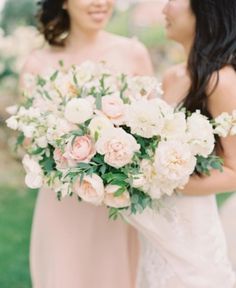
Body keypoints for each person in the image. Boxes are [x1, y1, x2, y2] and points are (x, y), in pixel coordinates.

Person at [20, 0, 153, 287]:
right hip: (63, 205)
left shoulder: (133, 53)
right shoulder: (38, 63)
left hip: (115, 204)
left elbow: (151, 129)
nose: (100, 3)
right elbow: (29, 144)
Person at [126, 0, 236, 287]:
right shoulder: (172, 76)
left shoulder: (221, 81)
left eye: (173, 0)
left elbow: (235, 171)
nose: (164, 9)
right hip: (157, 231)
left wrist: (158, 179)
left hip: (192, 234)